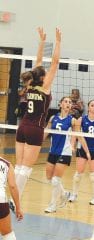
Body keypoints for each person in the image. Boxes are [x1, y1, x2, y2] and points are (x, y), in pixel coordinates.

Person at [12, 27, 61, 209]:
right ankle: (14, 199)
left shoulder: (31, 85)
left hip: (22, 126)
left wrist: (41, 42)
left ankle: (10, 197)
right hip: (35, 128)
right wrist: (58, 42)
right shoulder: (45, 86)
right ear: (43, 77)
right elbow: (55, 62)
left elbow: (39, 62)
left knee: (18, 166)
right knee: (26, 168)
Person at [43, 96, 90, 213]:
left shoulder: (73, 120)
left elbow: (79, 135)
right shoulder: (53, 118)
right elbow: (45, 132)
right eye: (65, 101)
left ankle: (53, 205)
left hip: (65, 152)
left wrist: (87, 151)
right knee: (49, 179)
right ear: (60, 104)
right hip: (52, 151)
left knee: (55, 180)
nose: (68, 104)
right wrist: (36, 142)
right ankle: (64, 193)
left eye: (70, 102)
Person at [68, 100, 94, 205]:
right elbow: (75, 134)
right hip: (82, 149)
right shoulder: (81, 119)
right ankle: (74, 194)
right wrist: (72, 145)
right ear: (88, 108)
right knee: (78, 174)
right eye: (92, 105)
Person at [0, 156, 23, 239]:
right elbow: (13, 186)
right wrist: (18, 208)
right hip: (1, 200)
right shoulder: (6, 164)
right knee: (7, 234)